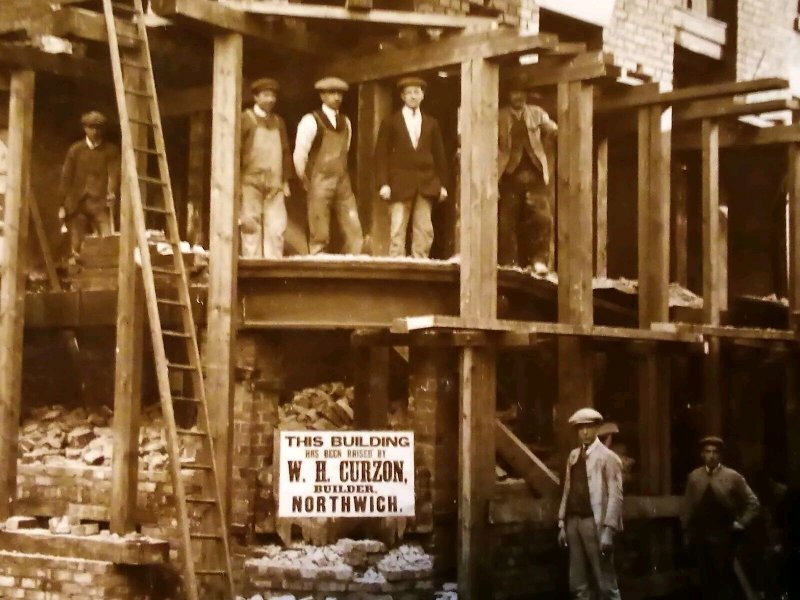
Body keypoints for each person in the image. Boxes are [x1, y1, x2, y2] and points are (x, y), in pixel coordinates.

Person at [374, 76, 448, 258]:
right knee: (397, 228)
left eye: (417, 92)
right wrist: (383, 183)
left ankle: (420, 265)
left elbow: (440, 157)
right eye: (409, 93)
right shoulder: (391, 122)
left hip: (426, 182)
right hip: (399, 183)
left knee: (424, 229)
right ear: (402, 97)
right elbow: (380, 155)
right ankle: (396, 266)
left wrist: (443, 185)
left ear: (423, 95)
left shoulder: (431, 123)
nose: (413, 96)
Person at [681, 436, 760, 600]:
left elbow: (753, 503)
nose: (711, 455)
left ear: (720, 455)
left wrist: (741, 522)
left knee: (723, 579)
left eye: (715, 452)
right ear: (702, 454)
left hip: (724, 536)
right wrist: (686, 530)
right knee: (704, 580)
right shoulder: (694, 477)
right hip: (701, 536)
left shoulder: (733, 476)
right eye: (707, 452)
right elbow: (687, 506)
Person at [557, 408, 623, 600]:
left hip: (595, 523)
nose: (584, 432)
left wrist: (608, 530)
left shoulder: (608, 458)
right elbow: (567, 491)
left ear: (597, 429)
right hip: (574, 523)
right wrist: (562, 523)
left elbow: (615, 497)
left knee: (605, 583)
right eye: (580, 428)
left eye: (589, 427)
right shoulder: (573, 456)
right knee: (578, 584)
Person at [293, 76, 363, 255]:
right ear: (322, 96)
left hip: (342, 181)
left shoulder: (346, 123)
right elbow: (300, 154)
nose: (337, 97)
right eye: (332, 93)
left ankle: (352, 265)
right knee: (320, 231)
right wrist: (306, 179)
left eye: (339, 93)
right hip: (319, 180)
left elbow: (345, 150)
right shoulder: (311, 121)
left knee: (353, 229)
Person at [497, 81, 557, 273]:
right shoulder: (500, 116)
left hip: (534, 174)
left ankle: (540, 261)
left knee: (543, 218)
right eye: (515, 92)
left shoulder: (537, 112)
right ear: (508, 95)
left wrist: (555, 130)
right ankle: (509, 263)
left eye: (522, 92)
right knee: (506, 221)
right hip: (509, 175)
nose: (518, 96)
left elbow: (552, 128)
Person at [240, 77, 293, 259]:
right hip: (250, 182)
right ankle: (252, 266)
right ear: (256, 97)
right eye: (265, 95)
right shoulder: (246, 119)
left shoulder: (279, 122)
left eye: (272, 96)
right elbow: (235, 152)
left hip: (275, 184)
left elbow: (286, 152)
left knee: (276, 228)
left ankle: (273, 269)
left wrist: (285, 180)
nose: (270, 99)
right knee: (250, 225)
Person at [59, 111, 120, 262]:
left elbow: (113, 174)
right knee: (76, 243)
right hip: (77, 203)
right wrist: (61, 203)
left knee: (107, 239)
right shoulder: (76, 150)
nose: (95, 131)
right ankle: (76, 276)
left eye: (98, 128)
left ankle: (104, 273)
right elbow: (66, 176)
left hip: (99, 203)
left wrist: (111, 192)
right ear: (85, 128)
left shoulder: (110, 151)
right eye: (91, 127)